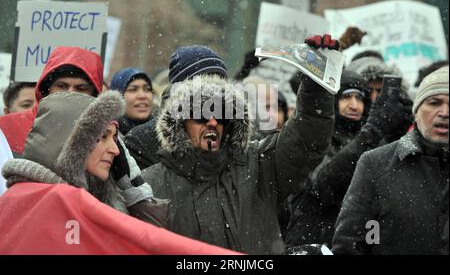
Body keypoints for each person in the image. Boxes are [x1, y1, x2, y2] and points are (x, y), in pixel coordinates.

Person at [141, 36, 337, 254]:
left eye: (221, 113)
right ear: (179, 120)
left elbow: (307, 137)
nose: (213, 121)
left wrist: (315, 85)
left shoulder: (260, 165)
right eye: (200, 113)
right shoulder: (149, 185)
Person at [0, 90, 236, 254]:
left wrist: (133, 194)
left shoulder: (17, 196)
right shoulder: (66, 199)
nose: (115, 150)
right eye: (102, 137)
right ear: (72, 144)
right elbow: (153, 243)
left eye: (115, 138)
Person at [284, 70, 412, 246]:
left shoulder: (369, 137)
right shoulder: (314, 135)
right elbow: (323, 184)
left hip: (354, 241)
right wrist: (372, 132)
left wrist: (398, 133)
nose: (354, 105)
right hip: (314, 240)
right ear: (333, 100)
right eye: (346, 97)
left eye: (359, 98)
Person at [332, 66, 449, 255]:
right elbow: (351, 244)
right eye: (434, 103)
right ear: (416, 112)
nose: (444, 112)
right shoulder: (376, 164)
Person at [124, 45, 229, 170]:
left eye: (220, 84)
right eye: (205, 83)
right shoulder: (142, 141)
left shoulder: (232, 133)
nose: (213, 91)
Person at [0, 46, 103, 155]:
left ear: (94, 95)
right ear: (47, 89)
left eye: (81, 88)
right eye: (62, 86)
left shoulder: (104, 134)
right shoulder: (7, 127)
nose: (70, 93)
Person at [110, 67, 154, 135]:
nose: (142, 96)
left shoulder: (165, 135)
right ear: (117, 97)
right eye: (133, 89)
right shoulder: (107, 136)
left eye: (147, 89)